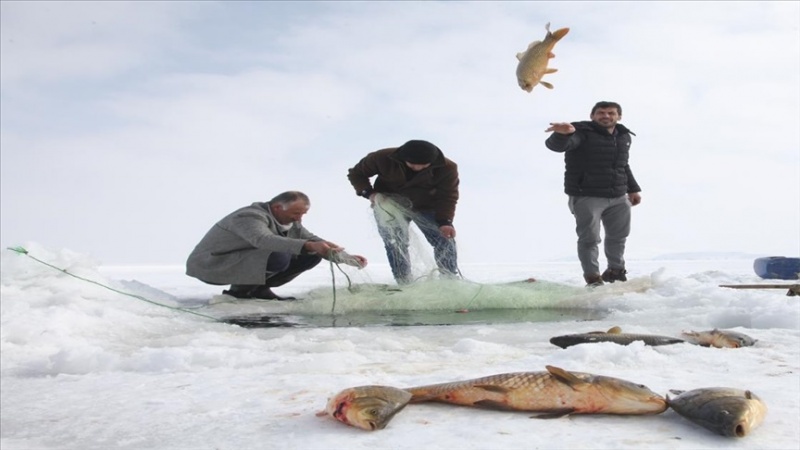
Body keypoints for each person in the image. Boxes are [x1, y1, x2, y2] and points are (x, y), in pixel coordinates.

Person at [186, 191, 368, 300]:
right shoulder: (249, 216)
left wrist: (346, 258)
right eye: (296, 213)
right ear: (277, 208)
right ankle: (239, 292)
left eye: (303, 214)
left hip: (243, 261)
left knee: (310, 255)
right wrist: (312, 246)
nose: (299, 219)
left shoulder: (291, 222)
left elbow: (313, 240)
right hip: (213, 265)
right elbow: (263, 240)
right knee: (279, 254)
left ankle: (259, 290)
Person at [545, 101, 642, 287]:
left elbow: (622, 165)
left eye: (611, 113)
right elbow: (558, 146)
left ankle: (616, 271)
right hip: (587, 195)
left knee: (618, 236)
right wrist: (561, 134)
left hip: (619, 196)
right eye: (601, 113)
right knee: (589, 239)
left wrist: (633, 189)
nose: (606, 116)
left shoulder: (623, 136)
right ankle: (593, 278)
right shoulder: (580, 132)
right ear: (593, 116)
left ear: (618, 116)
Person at [347, 139, 460, 284]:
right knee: (395, 242)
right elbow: (356, 174)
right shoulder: (381, 157)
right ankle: (404, 282)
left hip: (426, 206)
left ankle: (449, 279)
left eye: (423, 166)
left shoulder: (448, 167)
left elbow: (448, 195)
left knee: (444, 239)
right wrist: (370, 194)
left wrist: (446, 221)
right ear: (403, 158)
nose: (417, 168)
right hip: (389, 205)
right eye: (412, 164)